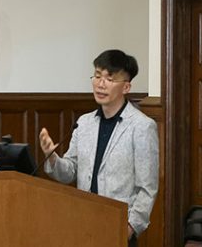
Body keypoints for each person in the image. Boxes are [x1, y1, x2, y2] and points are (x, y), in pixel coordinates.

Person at [40, 49, 159, 247]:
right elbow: (69, 172)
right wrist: (52, 157)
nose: (100, 84)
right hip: (82, 224)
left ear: (126, 87)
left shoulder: (142, 126)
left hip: (117, 227)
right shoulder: (84, 123)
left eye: (109, 79)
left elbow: (147, 188)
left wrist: (130, 228)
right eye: (97, 76)